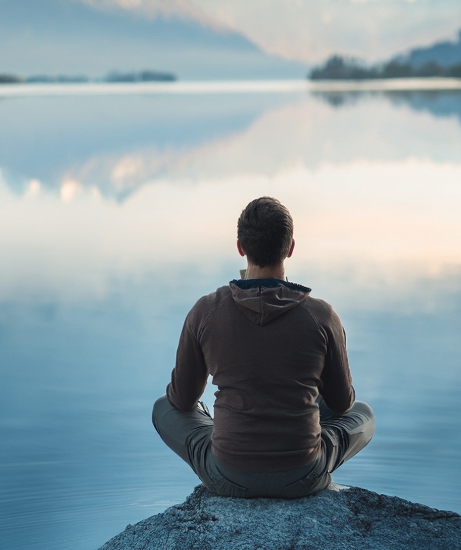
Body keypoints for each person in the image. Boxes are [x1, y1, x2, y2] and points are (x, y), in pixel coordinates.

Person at [152, 196, 374, 498]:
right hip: (304, 475)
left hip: (228, 475)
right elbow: (342, 403)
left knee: (162, 408)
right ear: (290, 248)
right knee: (363, 415)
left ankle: (233, 439)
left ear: (240, 247)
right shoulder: (323, 317)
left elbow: (181, 399)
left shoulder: (206, 311)